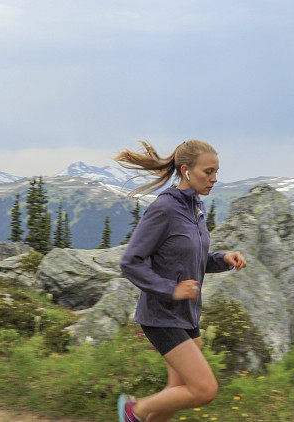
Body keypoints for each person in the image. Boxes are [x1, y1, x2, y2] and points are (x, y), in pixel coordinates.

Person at [113, 139, 247, 422]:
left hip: (187, 316)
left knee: (176, 392)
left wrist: (223, 259)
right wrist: (171, 290)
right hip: (161, 316)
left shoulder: (196, 208)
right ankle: (133, 411)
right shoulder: (165, 209)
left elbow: (192, 260)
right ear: (186, 171)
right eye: (208, 172)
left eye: (216, 171)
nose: (214, 178)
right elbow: (130, 261)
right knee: (204, 389)